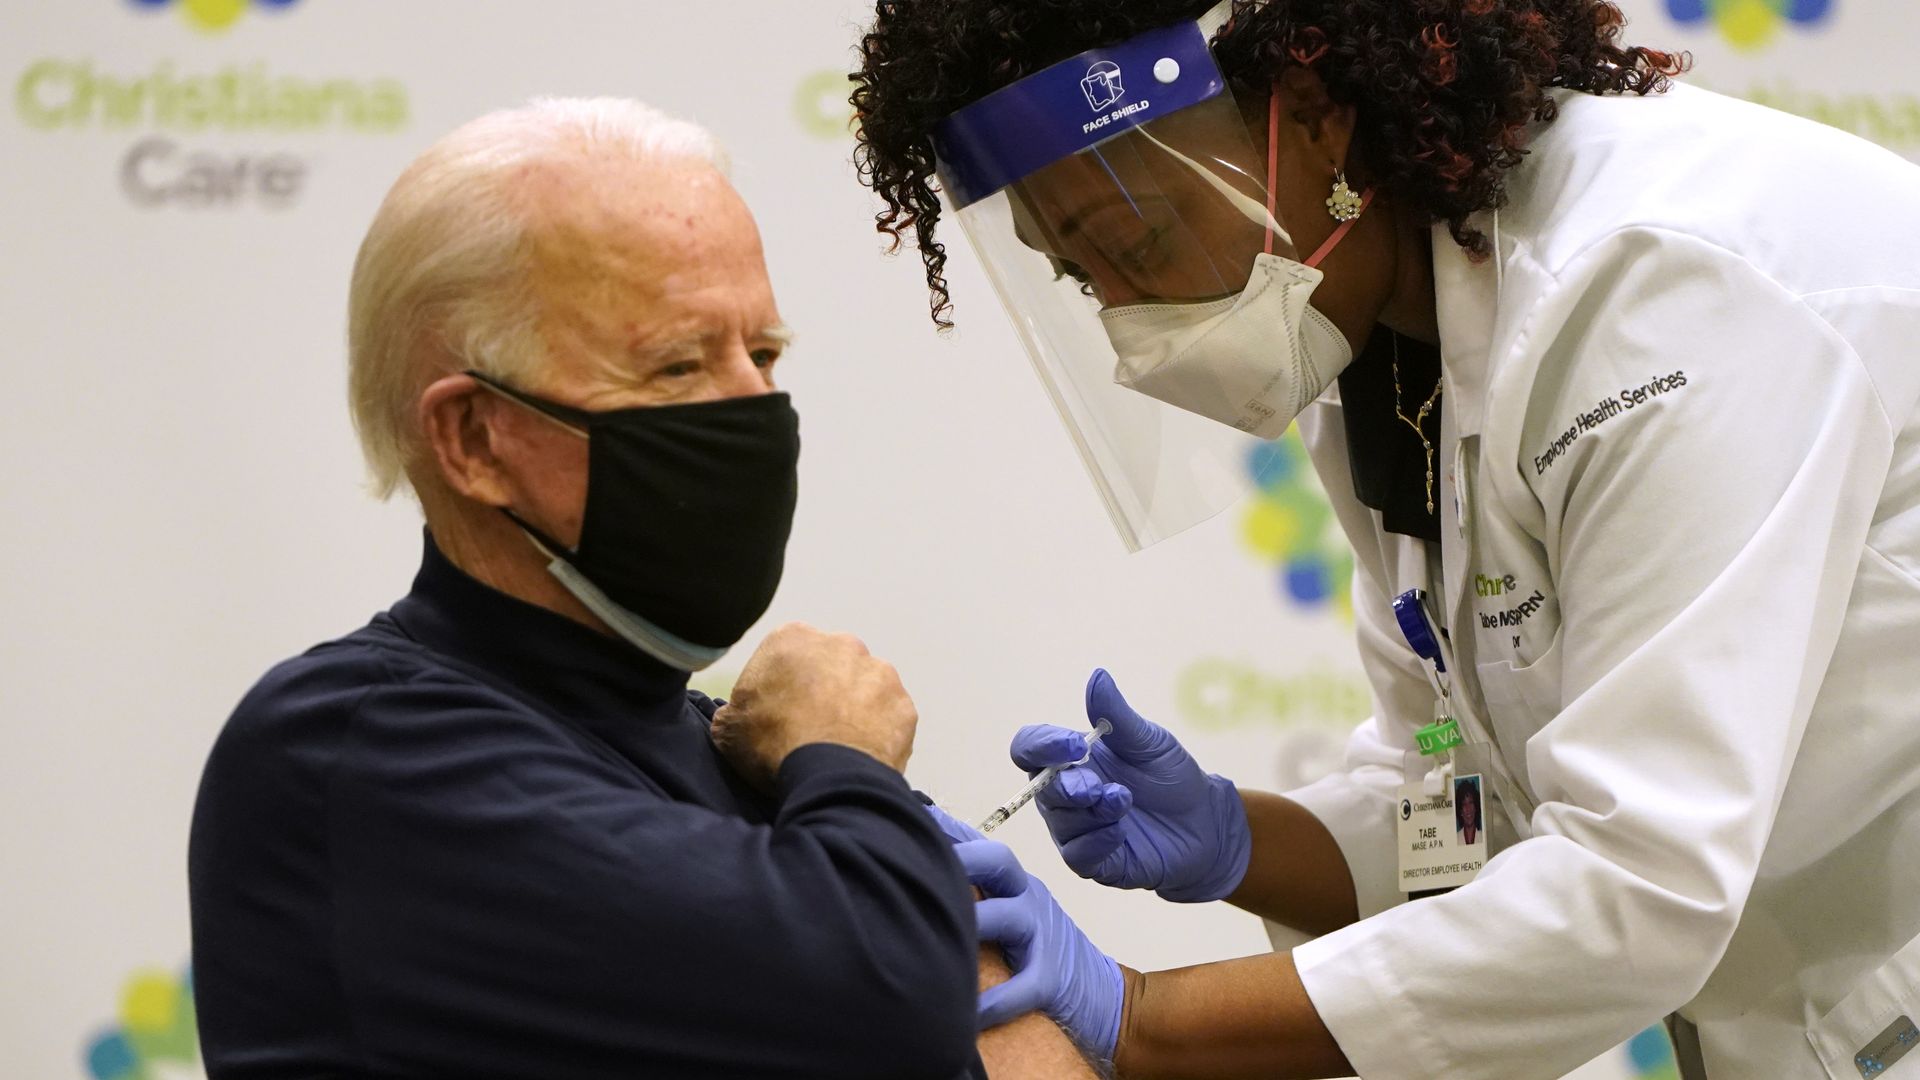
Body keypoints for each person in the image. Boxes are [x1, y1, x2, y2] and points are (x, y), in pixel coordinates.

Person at [848, 1, 1920, 1077]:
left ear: (1313, 117)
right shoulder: (1389, 356)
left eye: (1138, 245)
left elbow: (1638, 888)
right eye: (1087, 282)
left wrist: (1141, 1021)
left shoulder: (1649, 291)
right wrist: (1239, 839)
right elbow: (1465, 811)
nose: (1131, 331)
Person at [187, 97, 1097, 1080]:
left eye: (765, 354)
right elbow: (892, 1003)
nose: (760, 411)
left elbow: (1014, 1047)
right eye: (675, 365)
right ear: (475, 439)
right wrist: (847, 762)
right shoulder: (353, 749)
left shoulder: (742, 746)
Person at [1455, 778, 1479, 847]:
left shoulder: (1484, 836)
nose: (1468, 809)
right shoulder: (1456, 838)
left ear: (1475, 807)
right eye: (1464, 804)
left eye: (1470, 802)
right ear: (1460, 811)